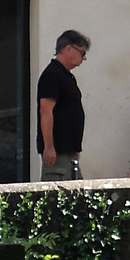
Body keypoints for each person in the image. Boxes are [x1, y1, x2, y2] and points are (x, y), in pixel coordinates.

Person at [37, 29, 88, 180]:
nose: (84, 58)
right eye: (82, 53)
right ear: (68, 49)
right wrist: (49, 147)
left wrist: (74, 148)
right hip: (57, 154)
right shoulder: (52, 75)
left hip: (68, 153)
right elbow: (45, 111)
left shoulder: (65, 76)